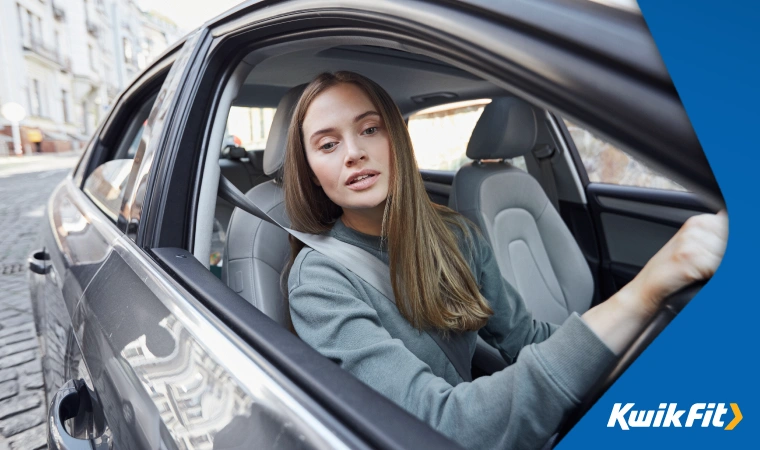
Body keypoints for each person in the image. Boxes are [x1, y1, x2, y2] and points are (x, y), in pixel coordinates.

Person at [282, 71, 728, 449]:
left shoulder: (455, 234)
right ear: (313, 176)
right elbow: (438, 427)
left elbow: (524, 338)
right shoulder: (319, 280)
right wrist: (642, 295)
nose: (354, 152)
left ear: (395, 140)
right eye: (327, 145)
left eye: (369, 129)